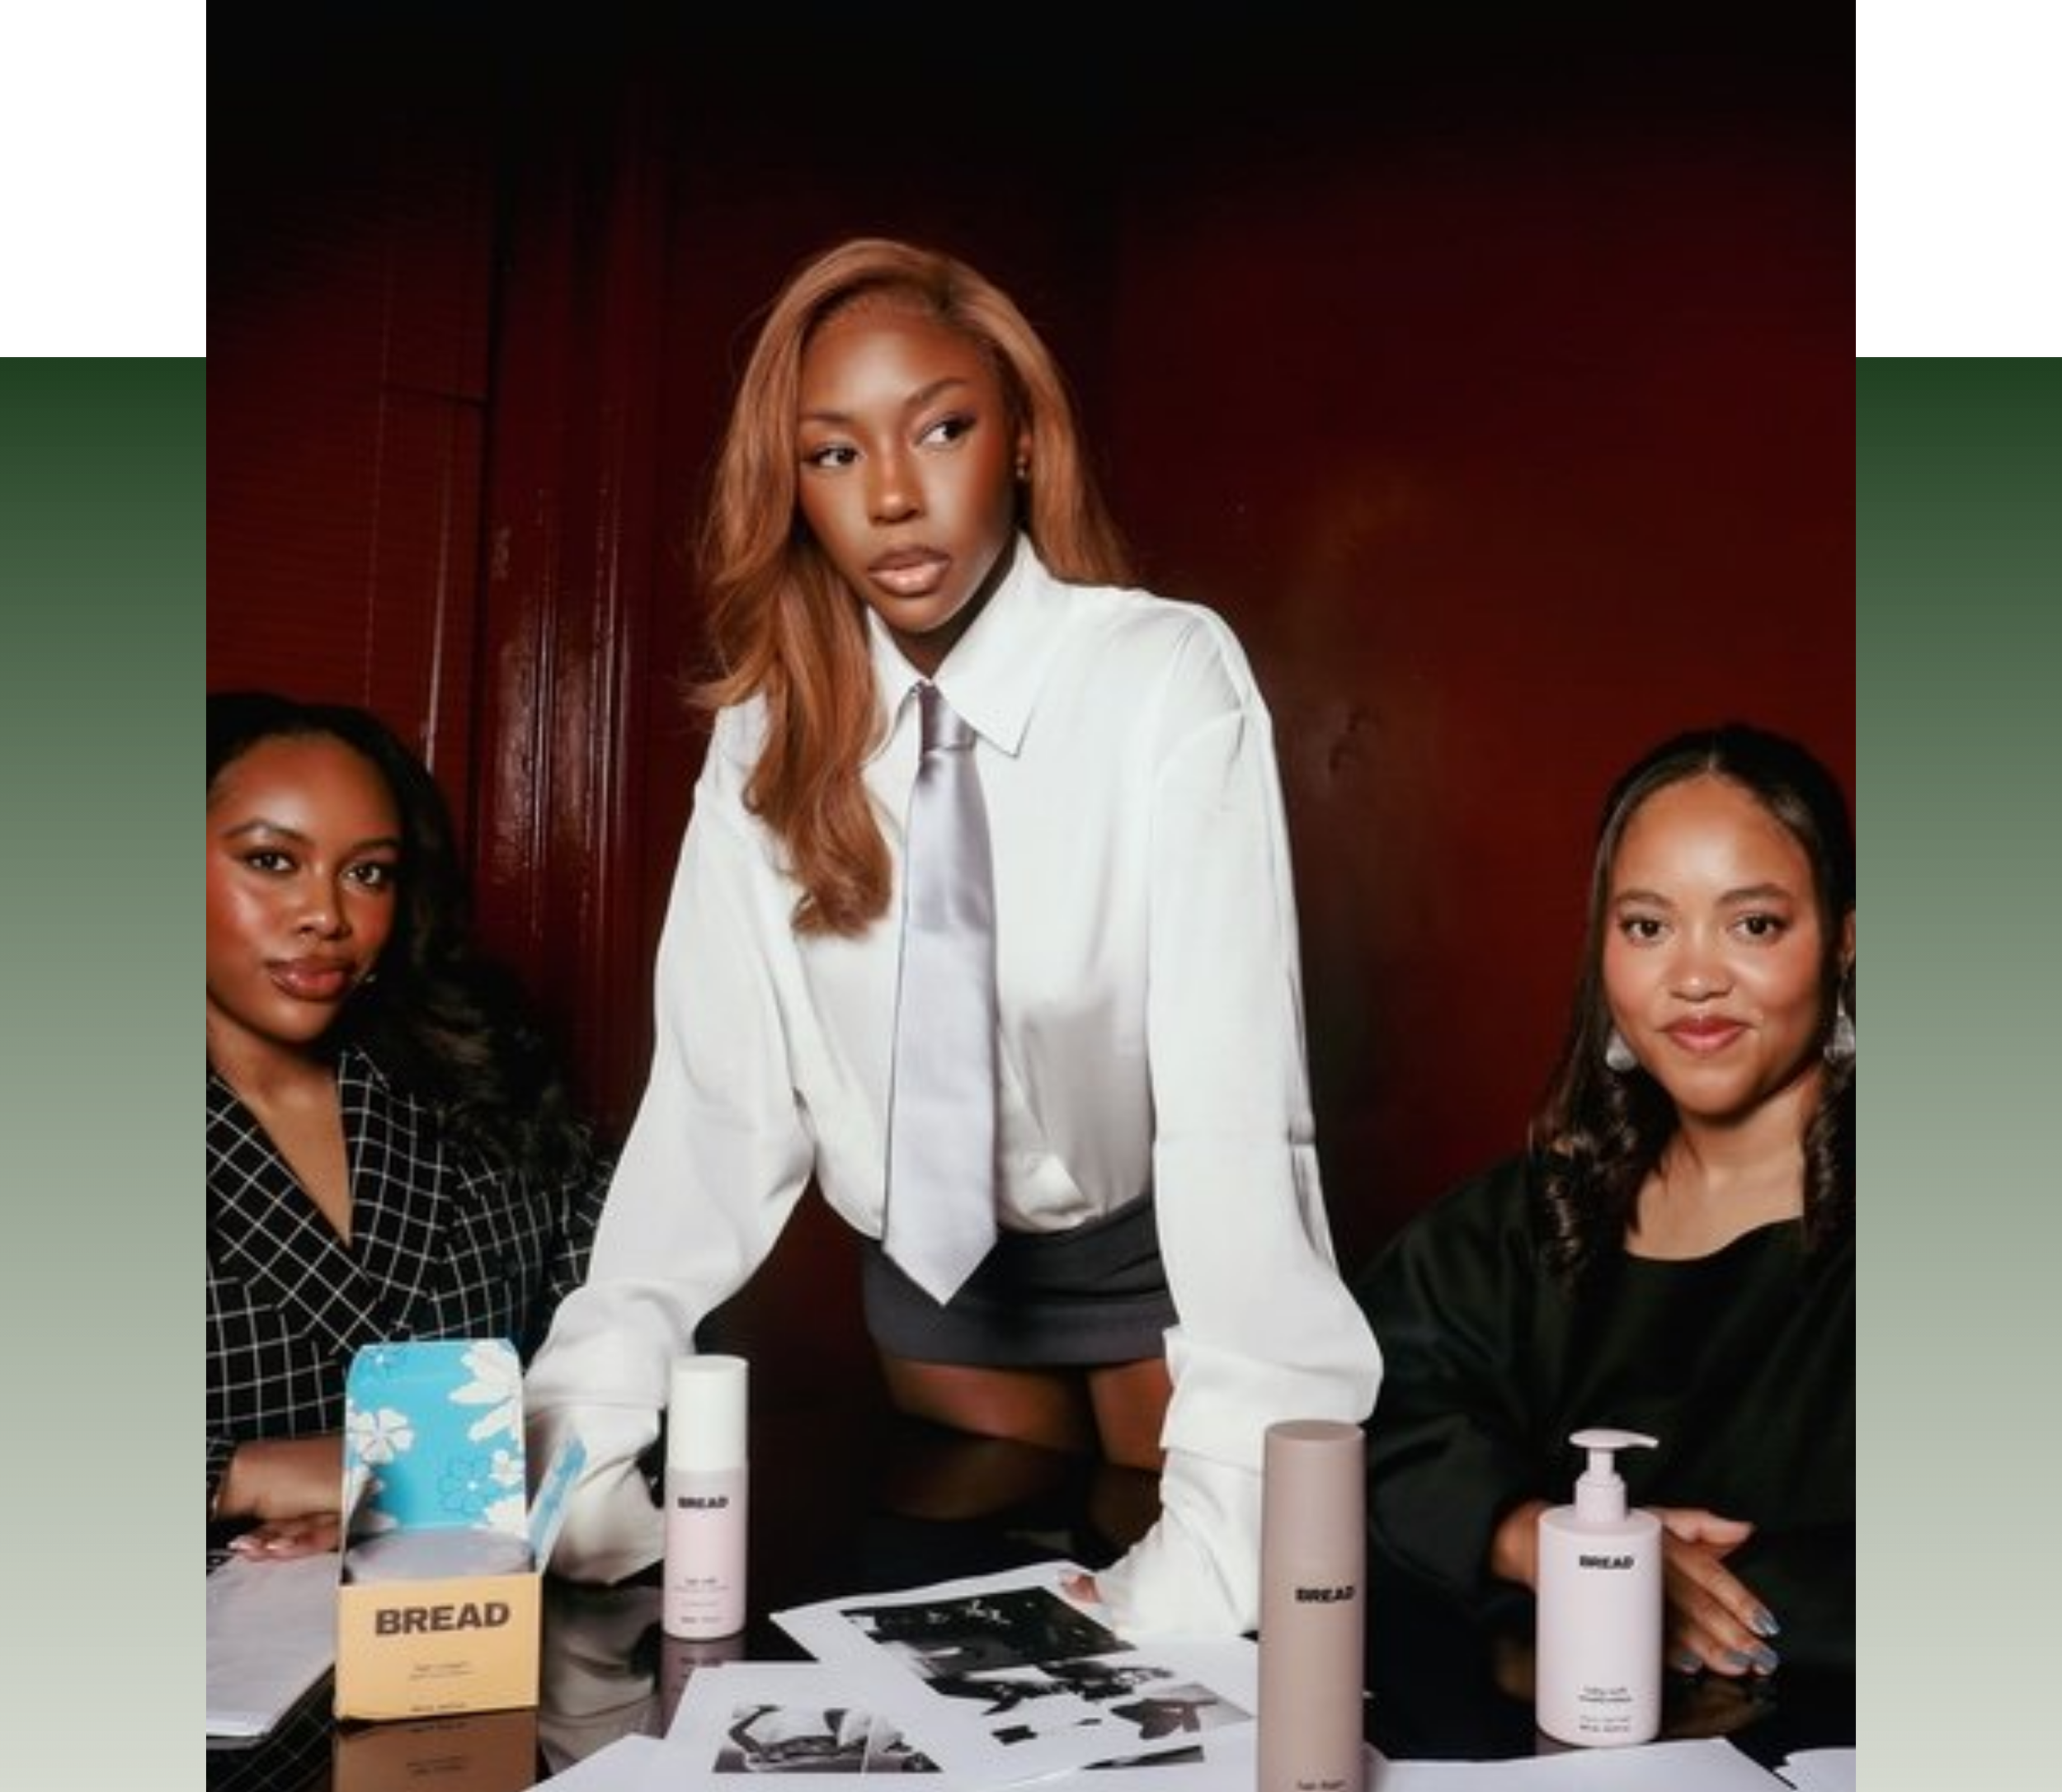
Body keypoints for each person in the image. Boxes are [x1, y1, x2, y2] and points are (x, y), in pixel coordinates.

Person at [525, 236, 1377, 1636]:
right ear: (790, 486)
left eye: (941, 427)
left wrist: (1228, 1527)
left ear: (1024, 439)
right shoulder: (766, 729)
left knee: (1178, 1641)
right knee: (959, 1626)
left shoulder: (1164, 674)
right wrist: (584, 1422)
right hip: (934, 1284)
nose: (896, 496)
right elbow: (717, 1108)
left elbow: (1236, 1108)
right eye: (835, 454)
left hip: (1154, 1256)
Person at [1357, 722, 1855, 1679]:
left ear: (1842, 941)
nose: (1695, 977)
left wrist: (1685, 1591)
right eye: (1647, 926)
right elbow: (1350, 1420)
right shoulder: (1523, 1224)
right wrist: (1528, 1536)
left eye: (1754, 924)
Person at [207, 691, 610, 1557]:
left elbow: (633, 1369)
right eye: (273, 862)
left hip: (491, 1630)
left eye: (368, 872)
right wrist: (233, 1473)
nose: (327, 916)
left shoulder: (489, 1092)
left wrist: (405, 1488)